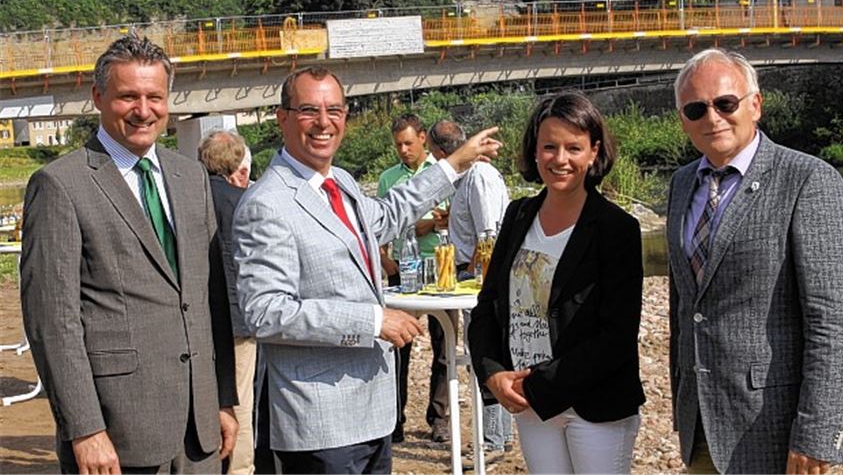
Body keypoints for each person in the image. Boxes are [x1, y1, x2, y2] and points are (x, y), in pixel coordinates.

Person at [232, 66, 500, 474]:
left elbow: (390, 215)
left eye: (335, 110)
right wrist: (372, 319)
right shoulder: (266, 204)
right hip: (319, 425)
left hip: (371, 414)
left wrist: (452, 166)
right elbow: (267, 312)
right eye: (309, 110)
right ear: (282, 117)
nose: (324, 122)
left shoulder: (340, 182)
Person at [20, 34, 239, 473]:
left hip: (199, 430)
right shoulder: (60, 185)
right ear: (98, 96)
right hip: (118, 436)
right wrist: (84, 429)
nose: (144, 110)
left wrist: (223, 396)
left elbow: (210, 299)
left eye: (154, 96)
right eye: (128, 96)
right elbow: (53, 323)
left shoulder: (190, 177)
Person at [666, 48, 843, 474]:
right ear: (682, 119)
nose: (713, 118)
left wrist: (817, 432)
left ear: (756, 104)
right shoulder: (682, 183)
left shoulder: (808, 180)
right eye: (696, 109)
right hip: (705, 422)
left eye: (726, 103)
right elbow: (684, 304)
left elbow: (834, 321)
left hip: (779, 426)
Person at [468, 92, 645, 474]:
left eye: (573, 148)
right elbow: (489, 304)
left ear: (594, 152)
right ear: (534, 151)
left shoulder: (617, 229)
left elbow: (617, 334)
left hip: (594, 406)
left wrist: (537, 387)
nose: (560, 159)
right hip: (529, 405)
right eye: (549, 146)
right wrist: (493, 372)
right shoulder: (518, 215)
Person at [426, 119, 513, 455]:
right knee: (490, 355)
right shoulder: (470, 177)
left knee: (486, 357)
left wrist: (479, 278)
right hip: (470, 274)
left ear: (437, 151)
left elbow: (488, 234)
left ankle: (492, 439)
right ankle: (498, 437)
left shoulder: (477, 176)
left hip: (479, 280)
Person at [376, 114, 449, 444]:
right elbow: (378, 231)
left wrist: (428, 226)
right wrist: (386, 262)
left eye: (408, 143)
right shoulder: (388, 179)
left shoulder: (444, 172)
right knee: (397, 347)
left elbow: (454, 221)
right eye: (398, 145)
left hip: (440, 268)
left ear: (422, 138)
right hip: (401, 271)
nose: (403, 150)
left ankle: (441, 418)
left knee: (444, 346)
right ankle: (394, 419)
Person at [198, 130, 257, 475]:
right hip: (237, 319)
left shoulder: (186, 197)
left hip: (195, 321)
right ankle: (239, 470)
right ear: (239, 164)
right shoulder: (245, 202)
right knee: (240, 406)